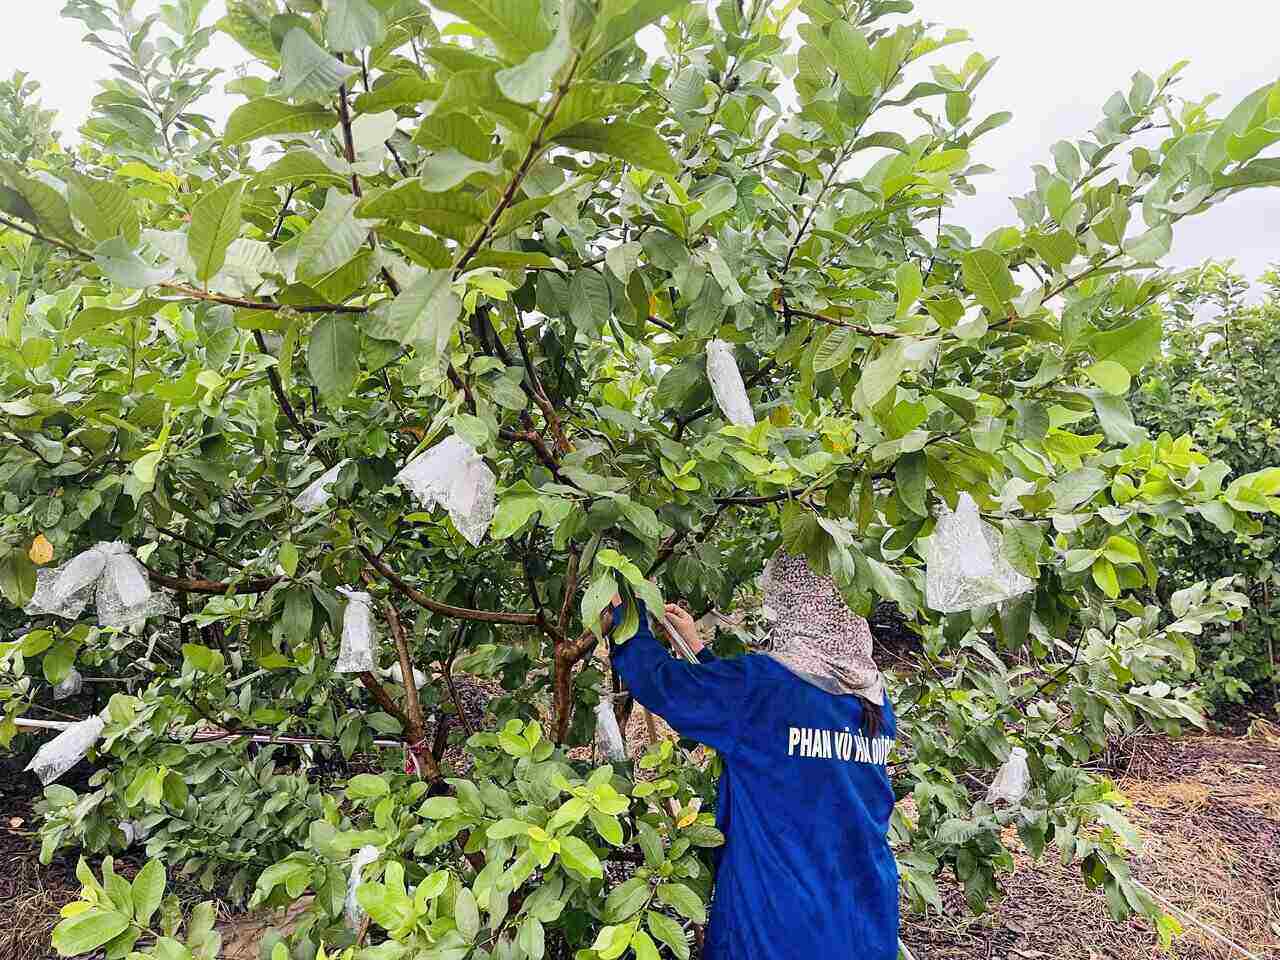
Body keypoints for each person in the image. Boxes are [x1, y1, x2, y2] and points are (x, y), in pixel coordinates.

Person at [605, 550, 898, 960]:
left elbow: (662, 685)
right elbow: (768, 739)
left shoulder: (764, 688)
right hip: (864, 921)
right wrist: (699, 651)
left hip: (780, 926)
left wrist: (628, 616)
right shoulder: (873, 697)